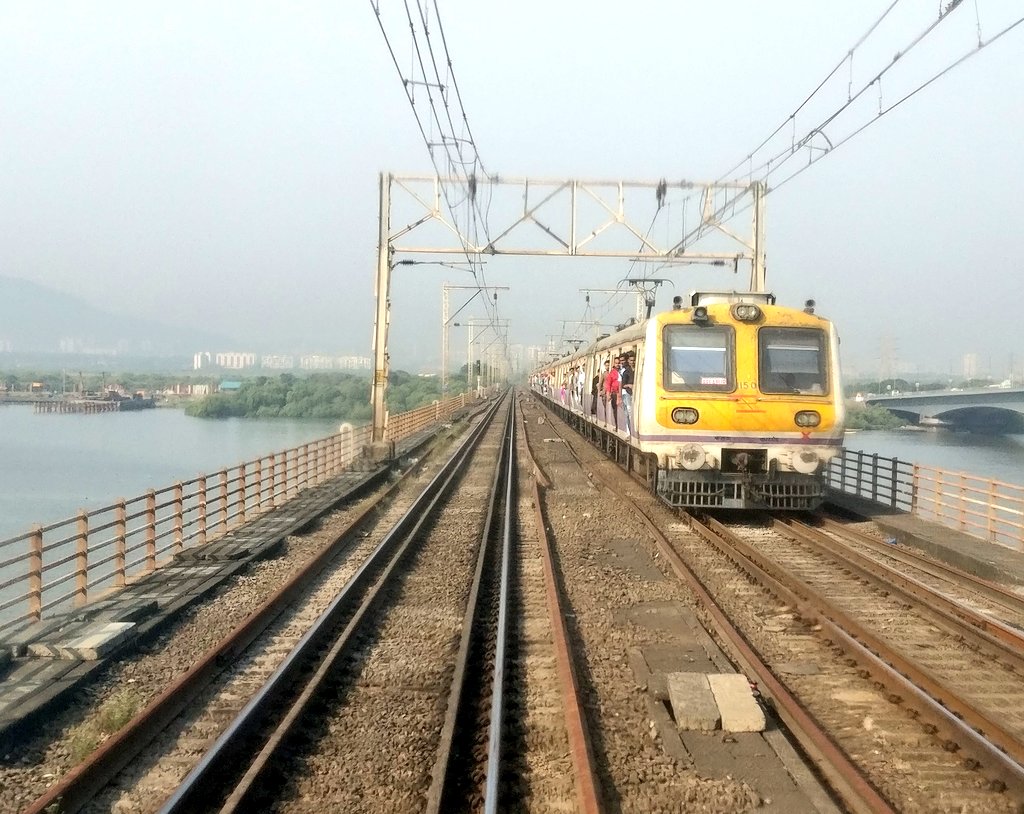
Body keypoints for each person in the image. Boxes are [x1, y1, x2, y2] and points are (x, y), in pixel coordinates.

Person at [620, 354, 635, 435]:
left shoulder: (639, 370)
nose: (633, 362)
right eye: (631, 360)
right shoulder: (626, 372)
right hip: (628, 394)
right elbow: (623, 385)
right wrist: (629, 385)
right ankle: (630, 432)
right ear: (628, 361)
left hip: (637, 394)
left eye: (634, 360)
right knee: (629, 412)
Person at [604, 356, 620, 427]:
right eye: (616, 363)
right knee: (615, 410)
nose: (617, 364)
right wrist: (608, 395)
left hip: (620, 393)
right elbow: (608, 384)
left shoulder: (622, 371)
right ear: (614, 364)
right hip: (614, 393)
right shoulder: (612, 373)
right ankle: (616, 425)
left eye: (618, 363)